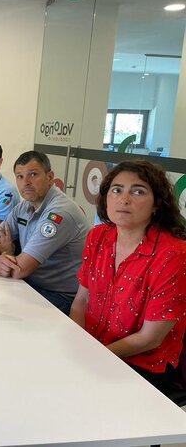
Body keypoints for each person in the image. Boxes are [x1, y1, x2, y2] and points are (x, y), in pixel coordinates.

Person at [70, 160, 186, 394]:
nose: (124, 199)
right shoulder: (98, 236)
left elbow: (150, 338)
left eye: (138, 191)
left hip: (142, 363)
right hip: (92, 347)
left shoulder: (173, 254)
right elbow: (81, 301)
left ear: (156, 204)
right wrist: (78, 345)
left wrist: (94, 356)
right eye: (116, 190)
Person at [0, 151, 89, 315]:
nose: (26, 182)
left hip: (59, 296)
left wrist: (6, 254)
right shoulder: (24, 206)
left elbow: (19, 269)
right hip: (30, 284)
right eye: (20, 176)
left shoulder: (59, 213)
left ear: (49, 177)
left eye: (33, 174)